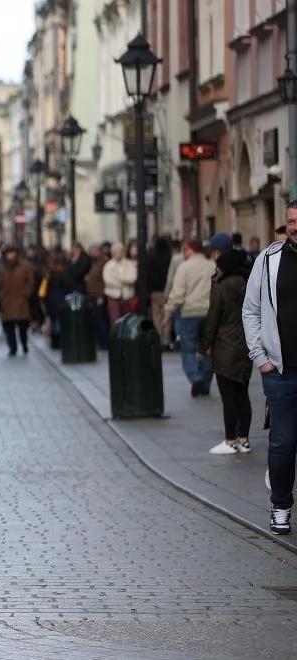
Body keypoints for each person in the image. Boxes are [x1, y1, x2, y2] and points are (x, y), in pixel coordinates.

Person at [243, 200, 297, 535]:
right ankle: (280, 505)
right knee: (282, 443)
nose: (295, 227)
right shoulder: (268, 260)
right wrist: (259, 357)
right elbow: (250, 310)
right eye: (291, 221)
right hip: (279, 371)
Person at [200, 249, 253, 455]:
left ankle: (230, 440)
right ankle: (244, 439)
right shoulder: (248, 285)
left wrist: (204, 344)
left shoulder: (220, 288)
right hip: (246, 346)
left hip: (224, 346)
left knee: (228, 397)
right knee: (242, 395)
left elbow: (212, 319)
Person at [163, 240, 216, 397]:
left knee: (188, 349)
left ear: (189, 250)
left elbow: (177, 294)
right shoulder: (211, 265)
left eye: (184, 250)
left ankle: (195, 377)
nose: (182, 253)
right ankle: (206, 384)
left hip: (189, 313)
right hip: (208, 312)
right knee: (206, 349)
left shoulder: (184, 267)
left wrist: (167, 313)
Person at [0, 247, 34, 356]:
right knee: (9, 327)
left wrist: (26, 294)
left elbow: (30, 282)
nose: (11, 256)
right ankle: (12, 347)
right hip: (7, 301)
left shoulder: (25, 266)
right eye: (9, 254)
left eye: (12, 253)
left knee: (23, 326)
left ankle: (24, 344)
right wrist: (1, 297)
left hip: (21, 300)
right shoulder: (2, 268)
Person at [102, 243, 136, 325]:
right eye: (115, 251)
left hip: (127, 296)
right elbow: (108, 280)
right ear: (112, 253)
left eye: (120, 251)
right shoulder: (108, 265)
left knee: (128, 321)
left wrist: (119, 279)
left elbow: (133, 278)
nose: (118, 253)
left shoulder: (129, 264)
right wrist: (124, 281)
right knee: (115, 321)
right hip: (113, 297)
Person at [85, 245, 109, 349]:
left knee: (101, 320)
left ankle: (104, 342)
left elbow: (104, 281)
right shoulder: (94, 263)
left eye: (94, 251)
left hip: (98, 295)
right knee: (96, 319)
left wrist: (101, 296)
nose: (92, 253)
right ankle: (100, 341)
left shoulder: (103, 263)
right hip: (92, 295)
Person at [147, 237, 173, 333]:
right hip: (168, 291)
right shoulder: (170, 258)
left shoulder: (151, 258)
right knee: (167, 316)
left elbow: (148, 275)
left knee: (156, 316)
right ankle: (166, 339)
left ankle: (158, 337)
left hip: (155, 292)